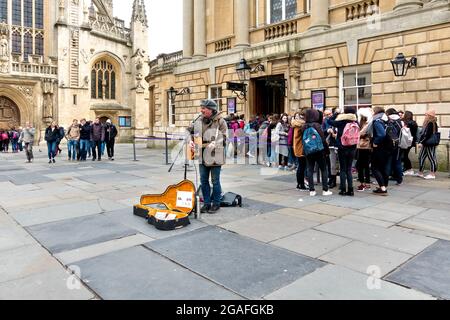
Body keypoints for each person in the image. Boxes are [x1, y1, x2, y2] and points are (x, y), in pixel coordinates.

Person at [188, 99, 227, 214]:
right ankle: (206, 203)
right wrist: (190, 140)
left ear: (211, 110)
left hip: (216, 155)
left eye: (204, 108)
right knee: (204, 180)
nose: (202, 110)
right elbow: (190, 132)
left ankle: (216, 203)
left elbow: (224, 137)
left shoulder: (221, 121)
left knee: (215, 181)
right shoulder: (198, 120)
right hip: (202, 154)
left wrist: (216, 142)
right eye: (202, 108)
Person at [328, 106, 359, 196]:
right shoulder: (355, 122)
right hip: (352, 147)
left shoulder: (341, 122)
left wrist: (336, 114)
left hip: (342, 147)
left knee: (343, 169)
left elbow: (329, 121)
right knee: (349, 169)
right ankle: (351, 190)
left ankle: (343, 189)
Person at [301, 109, 332, 197]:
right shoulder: (317, 125)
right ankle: (325, 190)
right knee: (323, 169)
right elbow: (322, 139)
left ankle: (312, 190)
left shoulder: (304, 126)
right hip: (319, 151)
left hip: (308, 151)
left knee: (310, 169)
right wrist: (326, 151)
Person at [369, 107, 391, 195]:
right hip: (388, 146)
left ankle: (382, 187)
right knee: (383, 168)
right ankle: (384, 186)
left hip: (380, 147)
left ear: (375, 112)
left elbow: (382, 134)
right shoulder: (386, 119)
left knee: (374, 167)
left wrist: (375, 142)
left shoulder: (377, 121)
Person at [418, 110, 439, 180]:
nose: (425, 116)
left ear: (430, 115)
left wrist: (421, 142)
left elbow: (427, 135)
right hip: (426, 143)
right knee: (421, 157)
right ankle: (420, 172)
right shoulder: (427, 123)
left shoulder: (431, 123)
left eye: (426, 115)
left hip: (429, 144)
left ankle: (432, 174)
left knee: (432, 158)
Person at [356, 109, 373, 192]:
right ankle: (366, 183)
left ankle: (363, 183)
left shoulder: (367, 124)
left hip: (364, 147)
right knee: (364, 166)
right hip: (363, 146)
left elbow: (360, 134)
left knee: (362, 165)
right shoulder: (364, 124)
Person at [292, 111, 308, 191]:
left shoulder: (296, 125)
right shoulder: (300, 125)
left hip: (297, 147)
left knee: (300, 167)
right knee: (302, 167)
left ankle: (299, 184)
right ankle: (301, 185)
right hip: (300, 148)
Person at [402, 111, 419, 176]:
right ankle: (408, 169)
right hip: (411, 141)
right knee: (405, 155)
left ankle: (409, 169)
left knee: (404, 156)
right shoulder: (414, 123)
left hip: (406, 141)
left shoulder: (407, 123)